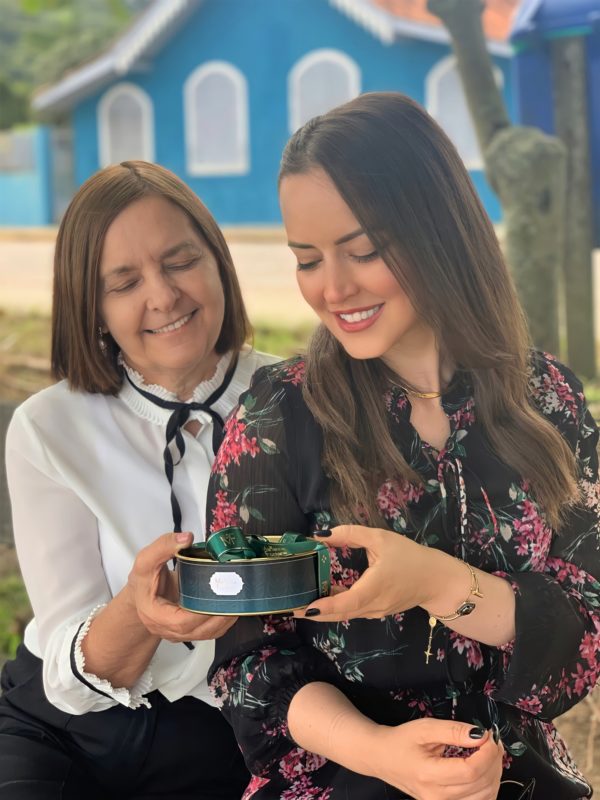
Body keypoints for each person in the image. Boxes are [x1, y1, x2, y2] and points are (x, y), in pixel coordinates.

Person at [204, 93, 600, 799]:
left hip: (513, 773)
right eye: (307, 259)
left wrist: (434, 581)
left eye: (364, 250)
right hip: (343, 774)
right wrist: (383, 753)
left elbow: (584, 632)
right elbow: (250, 663)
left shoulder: (549, 400)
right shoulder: (278, 415)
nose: (334, 288)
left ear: (438, 230)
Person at [0, 160, 278, 799]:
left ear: (218, 263)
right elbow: (70, 673)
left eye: (180, 261)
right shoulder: (49, 426)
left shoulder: (300, 397)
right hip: (67, 724)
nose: (162, 296)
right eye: (124, 282)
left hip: (243, 728)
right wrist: (142, 610)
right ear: (91, 307)